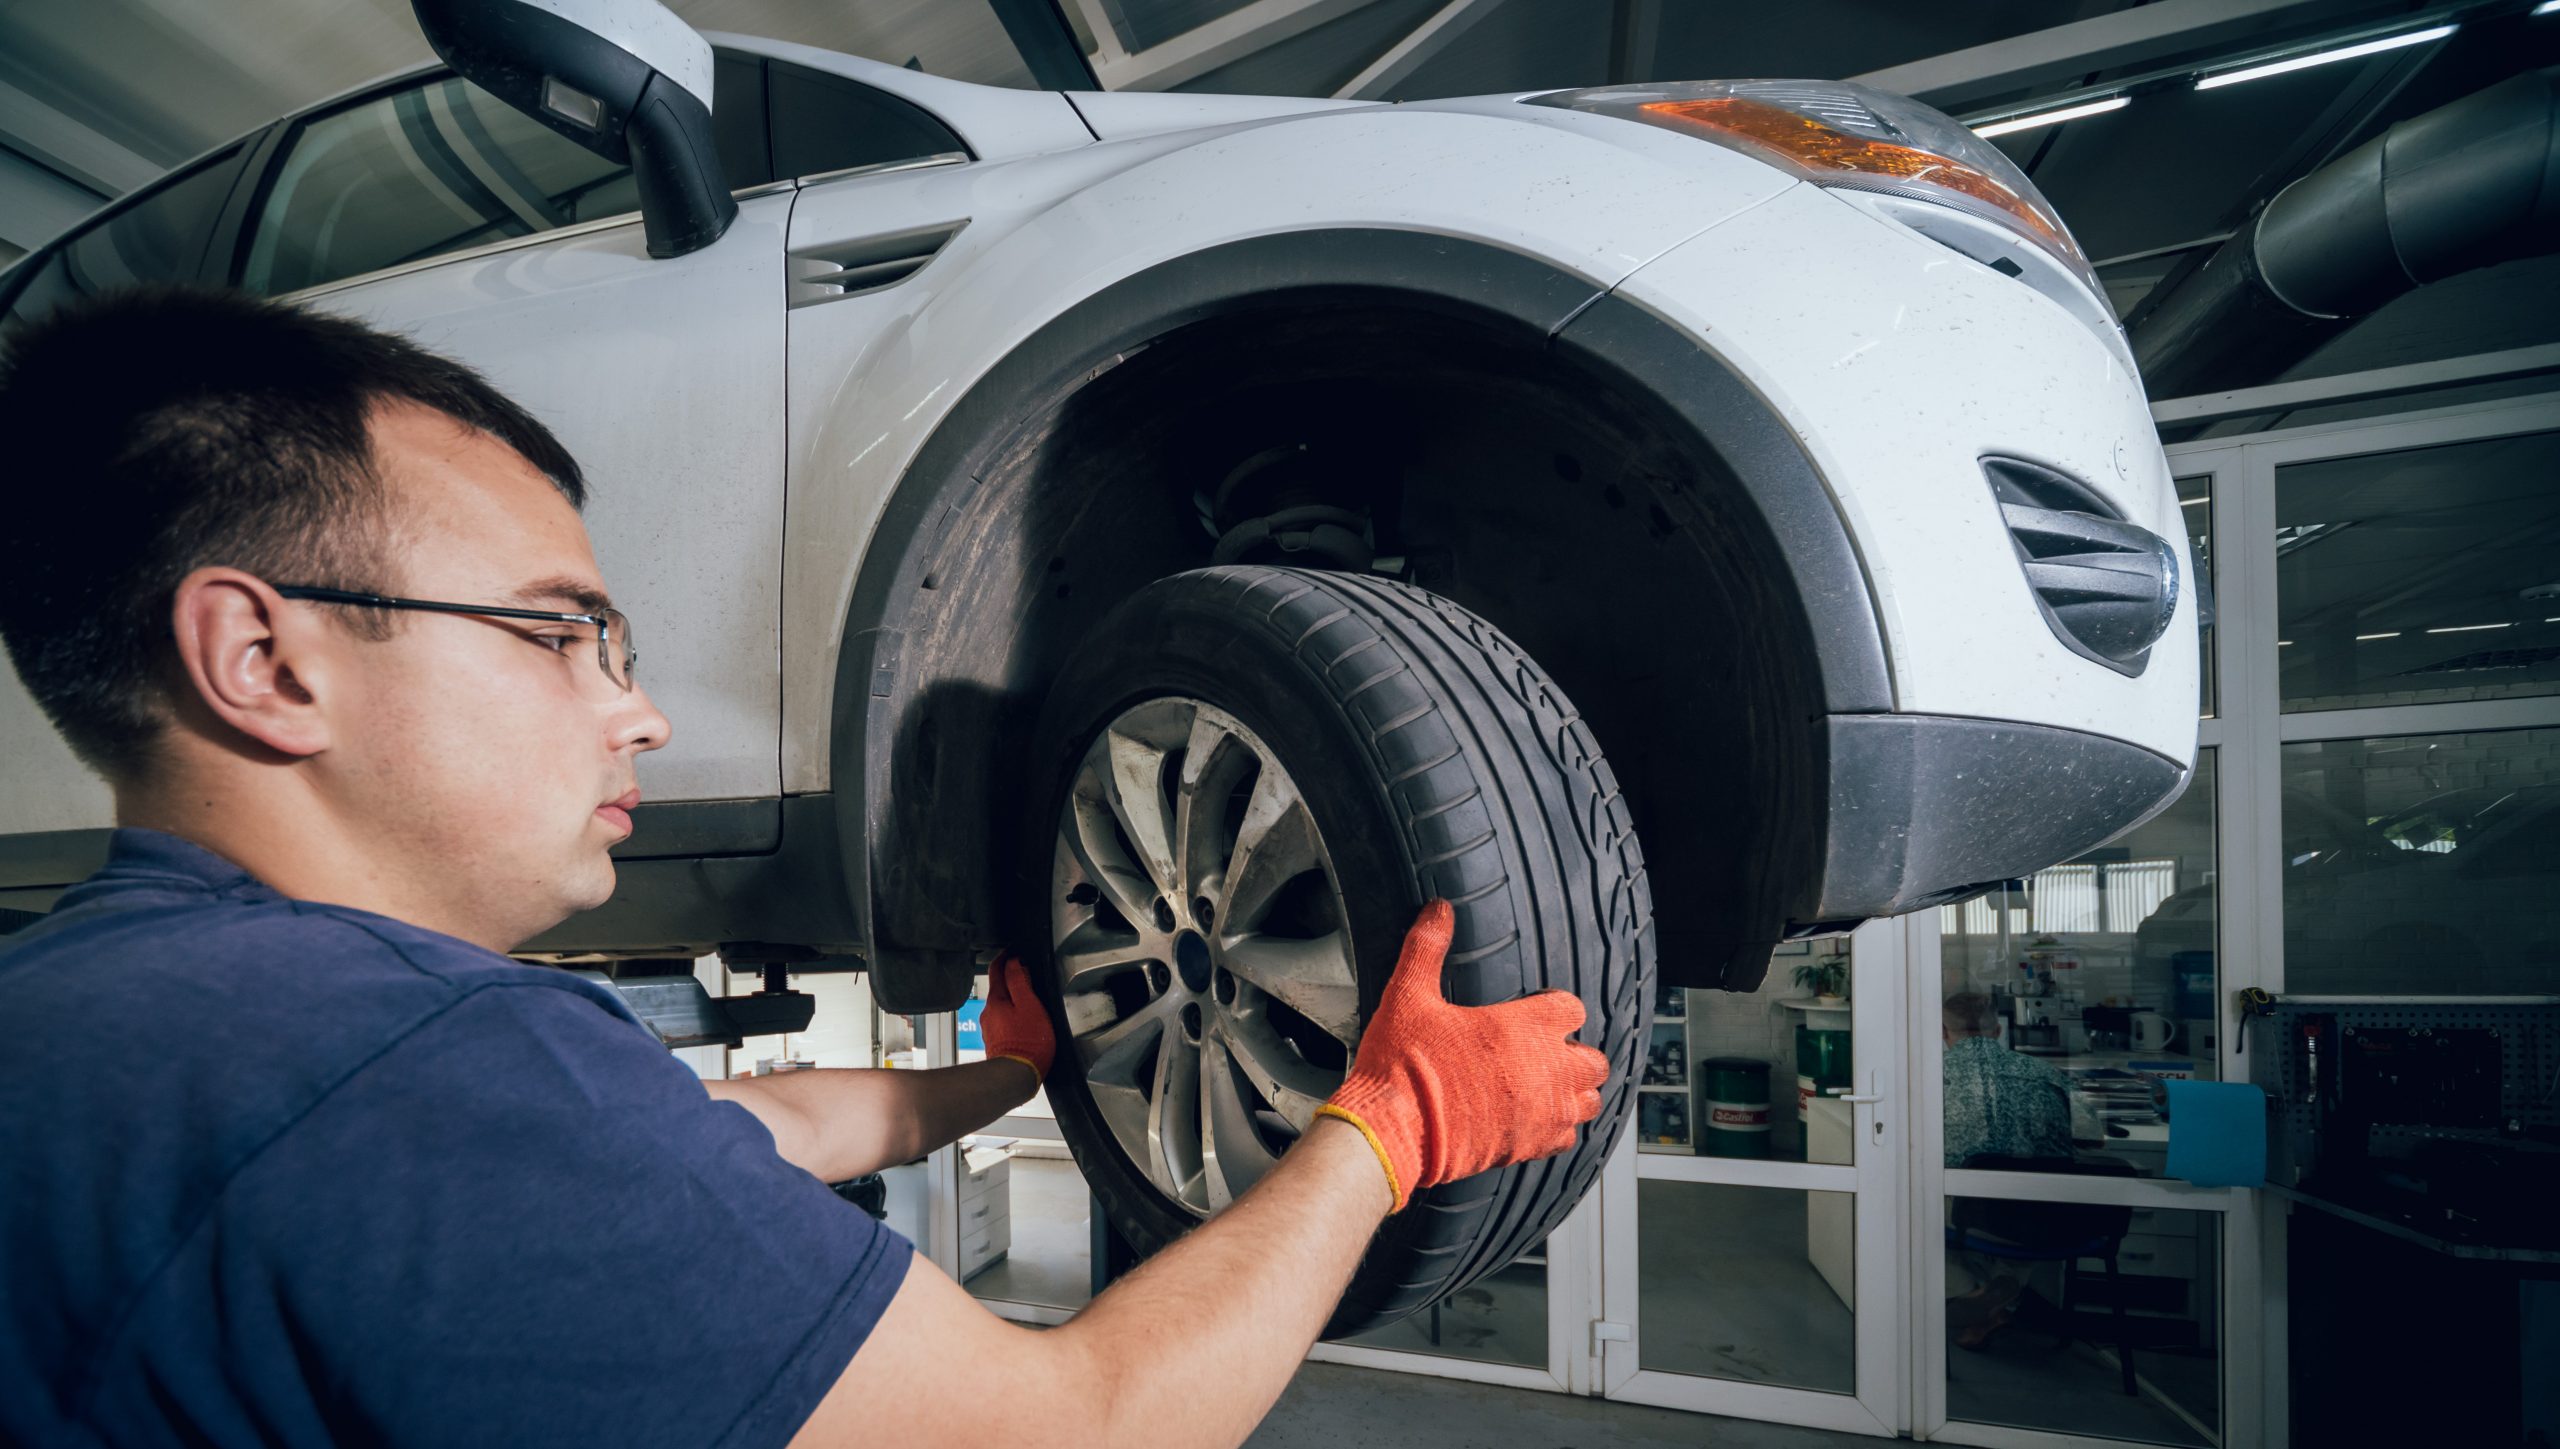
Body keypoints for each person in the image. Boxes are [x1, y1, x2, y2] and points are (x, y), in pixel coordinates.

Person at [0, 286, 1611, 1449]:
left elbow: (741, 1132)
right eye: (562, 631)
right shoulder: (398, 1064)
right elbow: (1078, 1432)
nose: (637, 711)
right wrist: (1384, 1133)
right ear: (262, 660)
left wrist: (1009, 1077)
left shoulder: (130, 1011)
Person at [1940, 990, 2075, 1347]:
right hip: (2045, 1214)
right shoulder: (2047, 1074)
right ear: (1998, 1030)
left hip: (1969, 1214)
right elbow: (2086, 1136)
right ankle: (2001, 1295)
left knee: (1903, 1201)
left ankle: (1971, 1291)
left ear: (1942, 1032)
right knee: (2024, 1193)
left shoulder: (1926, 1079)